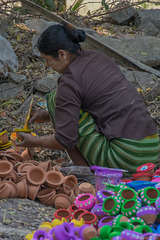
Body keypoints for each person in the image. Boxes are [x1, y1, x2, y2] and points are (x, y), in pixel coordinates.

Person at [17, 23, 159, 175]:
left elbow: (65, 140)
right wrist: (46, 116)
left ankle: (85, 173)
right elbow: (99, 103)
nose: (47, 65)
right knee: (60, 105)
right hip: (152, 149)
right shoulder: (97, 57)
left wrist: (33, 141)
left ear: (62, 54)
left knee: (54, 100)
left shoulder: (69, 82)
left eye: (47, 60)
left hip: (126, 158)